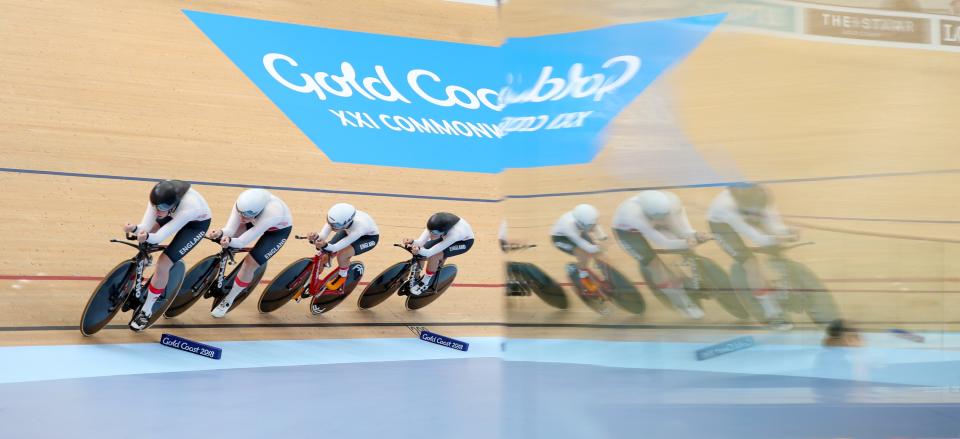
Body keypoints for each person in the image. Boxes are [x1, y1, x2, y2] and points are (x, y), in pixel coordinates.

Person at [124, 180, 211, 330]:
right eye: (154, 206)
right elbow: (145, 227)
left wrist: (147, 236)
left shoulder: (188, 209)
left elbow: (159, 237)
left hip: (196, 225)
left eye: (161, 208)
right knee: (149, 232)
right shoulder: (159, 202)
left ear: (174, 204)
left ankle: (146, 311)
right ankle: (145, 262)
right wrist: (135, 228)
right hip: (172, 212)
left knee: (164, 262)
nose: (157, 211)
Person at [707, 183, 796, 327]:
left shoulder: (763, 195)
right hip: (722, 225)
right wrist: (775, 238)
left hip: (743, 213)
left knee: (775, 244)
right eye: (753, 211)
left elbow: (773, 222)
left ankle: (779, 284)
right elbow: (755, 237)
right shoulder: (726, 207)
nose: (757, 214)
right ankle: (771, 311)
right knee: (750, 263)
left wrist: (784, 232)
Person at [612, 190, 707, 319]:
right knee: (654, 265)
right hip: (628, 233)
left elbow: (684, 229)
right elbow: (664, 243)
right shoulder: (633, 216)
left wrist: (694, 235)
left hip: (652, 222)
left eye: (664, 216)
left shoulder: (673, 202)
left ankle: (683, 277)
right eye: (658, 217)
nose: (662, 220)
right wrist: (686, 242)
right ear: (648, 214)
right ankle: (682, 303)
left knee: (679, 245)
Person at [207, 188, 293, 318]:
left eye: (245, 215)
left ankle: (229, 299)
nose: (241, 217)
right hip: (255, 221)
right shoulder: (243, 205)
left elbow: (242, 242)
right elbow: (230, 229)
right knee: (233, 236)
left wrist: (230, 240)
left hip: (277, 232)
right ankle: (228, 259)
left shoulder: (273, 213)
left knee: (249, 263)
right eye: (240, 213)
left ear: (257, 212)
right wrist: (220, 233)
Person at [305, 203, 380, 296]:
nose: (332, 227)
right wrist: (315, 237)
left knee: (343, 254)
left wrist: (324, 245)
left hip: (368, 238)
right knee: (325, 256)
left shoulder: (360, 227)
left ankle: (342, 276)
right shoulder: (336, 220)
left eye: (335, 225)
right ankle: (309, 280)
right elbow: (322, 236)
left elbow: (335, 248)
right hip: (348, 231)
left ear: (347, 222)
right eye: (330, 222)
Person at [403, 212, 475, 296]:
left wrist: (418, 250)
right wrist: (412, 242)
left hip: (464, 242)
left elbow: (429, 253)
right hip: (445, 236)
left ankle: (425, 282)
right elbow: (420, 242)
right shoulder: (434, 226)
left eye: (435, 233)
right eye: (430, 232)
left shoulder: (455, 234)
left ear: (444, 231)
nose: (431, 235)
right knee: (422, 252)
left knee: (435, 256)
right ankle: (416, 276)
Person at [550, 204, 608, 294]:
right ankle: (583, 275)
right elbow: (583, 245)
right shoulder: (568, 225)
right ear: (580, 222)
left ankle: (597, 264)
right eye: (588, 225)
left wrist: (603, 238)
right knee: (582, 253)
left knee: (595, 249)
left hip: (577, 232)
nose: (590, 227)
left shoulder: (584, 219)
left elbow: (595, 226)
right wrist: (598, 248)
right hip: (561, 238)